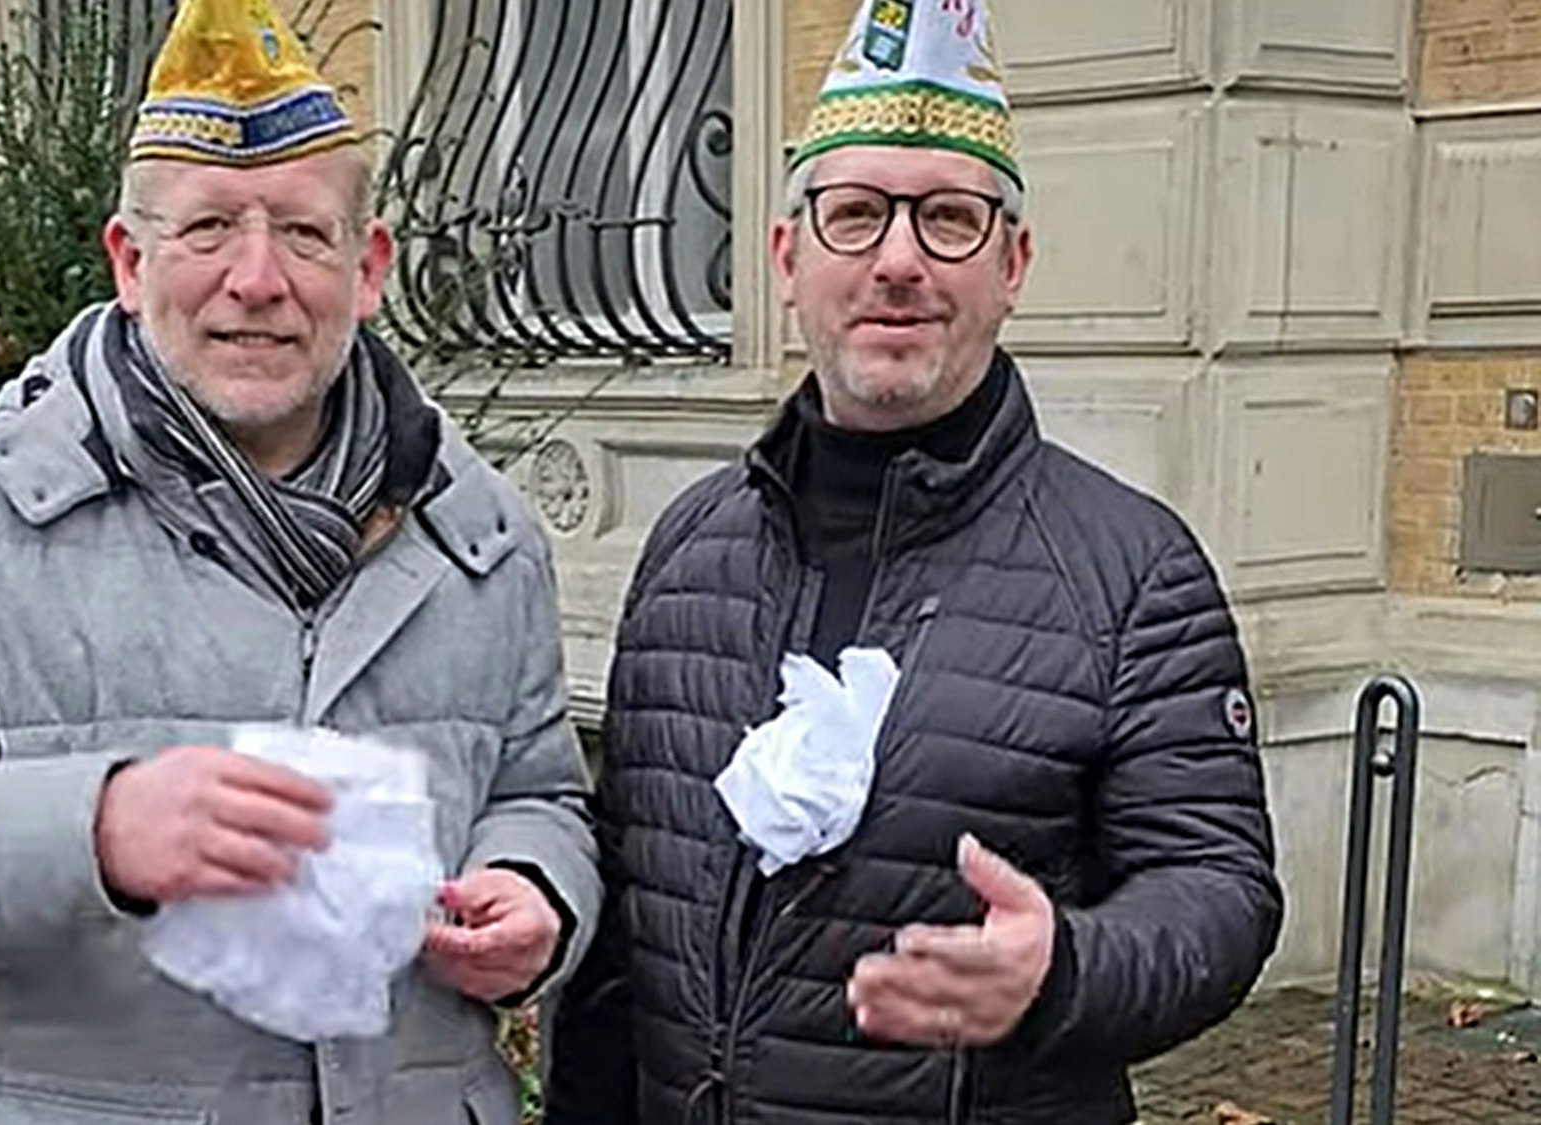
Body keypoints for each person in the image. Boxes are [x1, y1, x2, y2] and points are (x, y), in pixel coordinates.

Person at [0, 1, 597, 1122]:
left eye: (303, 234)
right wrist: (96, 830)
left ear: (368, 268)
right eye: (208, 229)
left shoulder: (477, 531)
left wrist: (535, 890)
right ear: (129, 259)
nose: (255, 279)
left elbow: (539, 791)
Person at [544, 1, 1282, 1122]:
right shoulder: (689, 546)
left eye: (946, 218)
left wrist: (1063, 968)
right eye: (852, 215)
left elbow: (1219, 894)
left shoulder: (1132, 572)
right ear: (787, 257)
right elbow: (627, 918)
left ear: (1011, 262)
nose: (896, 260)